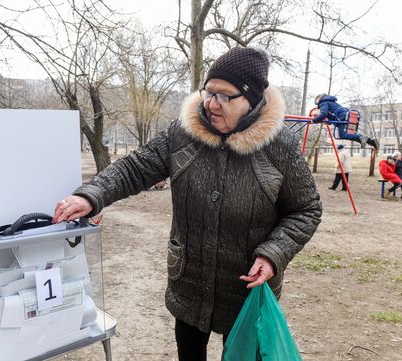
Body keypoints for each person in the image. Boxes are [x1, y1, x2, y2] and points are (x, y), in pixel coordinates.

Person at [52, 47, 322, 360]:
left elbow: (306, 209)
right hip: (190, 284)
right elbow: (135, 167)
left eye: (224, 96)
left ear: (251, 99)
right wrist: (91, 195)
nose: (211, 103)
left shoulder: (280, 145)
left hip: (247, 291)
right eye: (208, 91)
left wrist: (275, 254)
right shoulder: (183, 132)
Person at [311, 94, 379, 150]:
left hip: (342, 117)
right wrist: (327, 121)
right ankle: (372, 142)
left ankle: (361, 137)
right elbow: (330, 116)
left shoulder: (323, 103)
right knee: (349, 135)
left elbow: (323, 114)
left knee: (342, 135)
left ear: (317, 101)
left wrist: (313, 120)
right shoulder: (330, 101)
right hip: (344, 116)